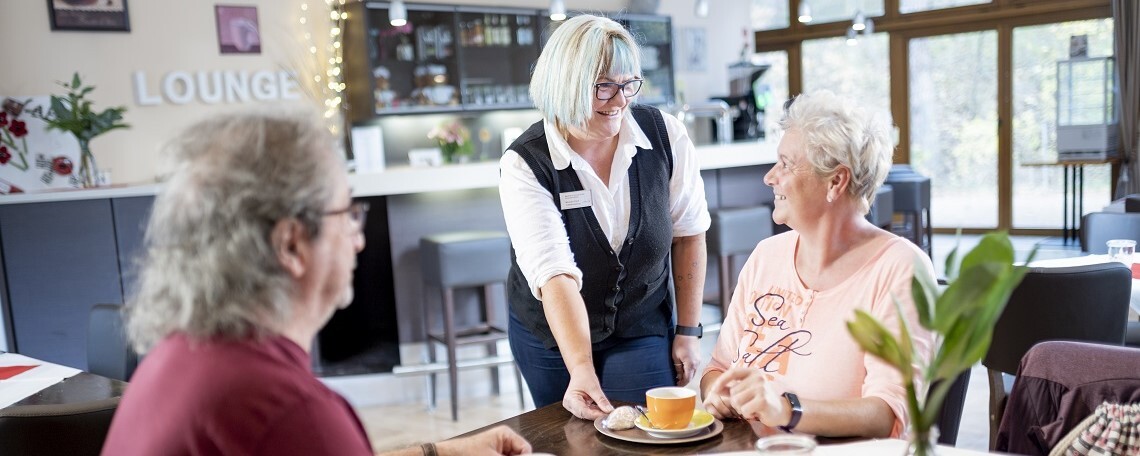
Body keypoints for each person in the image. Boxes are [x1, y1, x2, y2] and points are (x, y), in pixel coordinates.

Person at [102, 110, 531, 456]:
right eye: (347, 214)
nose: (359, 239)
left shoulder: (178, 356)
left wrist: (442, 453)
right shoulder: (285, 409)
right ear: (291, 244)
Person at [499, 14, 710, 421]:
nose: (621, 101)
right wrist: (580, 368)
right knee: (568, 439)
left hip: (640, 319)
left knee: (644, 432)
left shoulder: (665, 137)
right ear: (565, 86)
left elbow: (688, 235)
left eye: (630, 83)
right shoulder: (526, 163)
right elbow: (555, 274)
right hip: (550, 336)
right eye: (604, 87)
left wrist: (688, 331)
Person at [699, 90, 935, 438]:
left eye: (786, 164)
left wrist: (785, 409)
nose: (770, 177)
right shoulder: (767, 255)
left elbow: (888, 413)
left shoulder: (901, 268)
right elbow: (717, 368)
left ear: (836, 181)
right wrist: (718, 394)